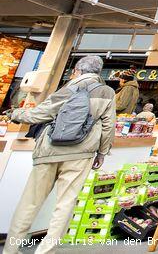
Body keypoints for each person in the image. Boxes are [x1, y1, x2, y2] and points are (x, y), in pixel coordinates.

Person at [4, 55, 116, 254]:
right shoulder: (107, 92)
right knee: (66, 203)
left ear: (77, 71)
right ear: (99, 72)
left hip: (49, 151)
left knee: (30, 202)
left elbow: (40, 114)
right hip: (81, 154)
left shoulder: (68, 88)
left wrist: (14, 114)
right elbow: (108, 126)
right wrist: (102, 153)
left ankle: (11, 248)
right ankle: (47, 250)